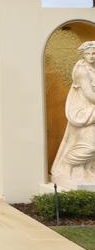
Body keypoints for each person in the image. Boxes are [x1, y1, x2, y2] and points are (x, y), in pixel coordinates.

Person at [51, 41, 95, 184]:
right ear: (83, 55)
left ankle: (84, 170)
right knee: (90, 146)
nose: (91, 56)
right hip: (85, 112)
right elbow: (90, 95)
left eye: (94, 53)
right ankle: (66, 167)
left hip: (91, 110)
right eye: (88, 54)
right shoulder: (82, 71)